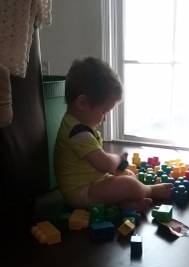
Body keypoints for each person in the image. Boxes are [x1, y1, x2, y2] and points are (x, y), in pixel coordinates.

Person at [54, 57, 172, 212]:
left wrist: (120, 169)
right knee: (126, 184)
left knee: (127, 175)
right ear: (82, 103)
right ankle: (151, 190)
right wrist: (117, 159)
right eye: (104, 111)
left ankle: (126, 205)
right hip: (81, 193)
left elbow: (100, 160)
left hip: (91, 182)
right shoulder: (77, 132)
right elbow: (104, 163)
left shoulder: (78, 125)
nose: (105, 118)